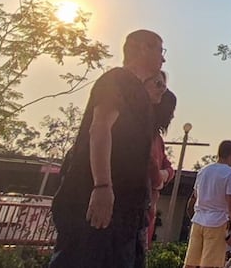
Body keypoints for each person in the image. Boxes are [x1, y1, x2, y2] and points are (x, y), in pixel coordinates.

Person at [49, 29, 165, 268]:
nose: (163, 59)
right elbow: (99, 128)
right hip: (99, 206)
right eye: (160, 51)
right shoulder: (116, 80)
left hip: (127, 212)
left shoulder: (141, 96)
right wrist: (102, 185)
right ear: (143, 48)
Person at [137, 70, 178, 264]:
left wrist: (164, 174)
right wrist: (160, 176)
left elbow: (169, 168)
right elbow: (153, 170)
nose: (172, 115)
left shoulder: (157, 140)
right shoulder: (143, 134)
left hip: (146, 216)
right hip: (136, 216)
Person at [185, 140, 231, 268]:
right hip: (217, 221)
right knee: (211, 264)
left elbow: (195, 195)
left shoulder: (203, 171)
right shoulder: (229, 173)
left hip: (198, 220)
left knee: (191, 263)